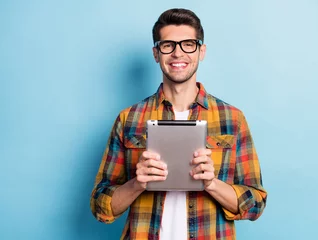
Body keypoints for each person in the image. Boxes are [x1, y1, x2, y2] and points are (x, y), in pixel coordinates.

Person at [90, 8, 267, 240]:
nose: (178, 53)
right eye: (168, 45)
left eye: (188, 44)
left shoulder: (232, 119)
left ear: (201, 51)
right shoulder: (128, 119)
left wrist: (212, 184)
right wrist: (137, 183)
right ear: (156, 53)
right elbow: (100, 206)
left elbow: (255, 203)